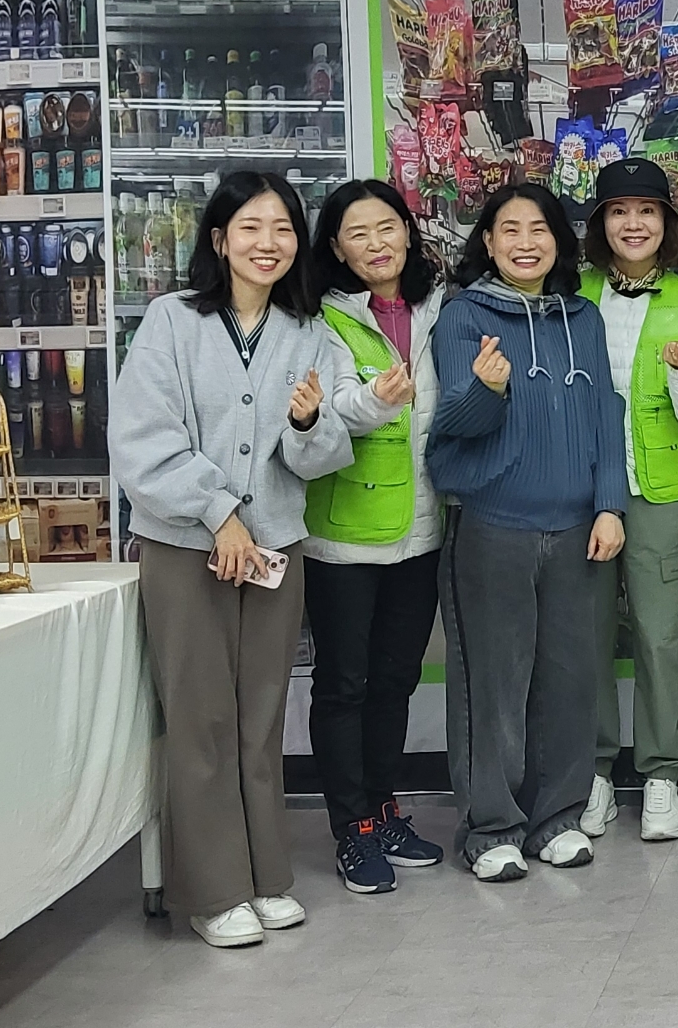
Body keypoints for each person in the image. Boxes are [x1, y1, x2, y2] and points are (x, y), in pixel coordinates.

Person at [113, 170, 352, 949]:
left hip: (275, 546)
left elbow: (316, 458)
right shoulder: (172, 321)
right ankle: (214, 890)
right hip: (188, 549)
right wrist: (217, 513)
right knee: (201, 717)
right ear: (219, 239)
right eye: (250, 227)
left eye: (282, 228)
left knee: (261, 717)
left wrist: (311, 424)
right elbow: (143, 437)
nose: (267, 243)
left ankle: (264, 875)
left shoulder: (308, 332)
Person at [427, 182, 628, 883]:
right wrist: (487, 390)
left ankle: (557, 819)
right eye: (509, 230)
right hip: (493, 525)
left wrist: (610, 504)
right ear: (487, 242)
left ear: (559, 241)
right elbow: (454, 426)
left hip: (576, 528)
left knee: (569, 682)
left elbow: (605, 413)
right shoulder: (463, 316)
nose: (524, 242)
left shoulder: (583, 317)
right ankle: (491, 828)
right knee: (494, 684)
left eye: (538, 229)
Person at [304, 179, 447, 895]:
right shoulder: (320, 319)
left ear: (408, 233)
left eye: (387, 227)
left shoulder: (437, 305)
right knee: (344, 684)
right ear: (335, 248)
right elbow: (325, 413)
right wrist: (375, 400)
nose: (376, 243)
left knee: (395, 678)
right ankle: (351, 827)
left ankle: (384, 809)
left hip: (421, 529)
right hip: (344, 539)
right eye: (357, 233)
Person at [575, 158, 678, 844]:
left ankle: (662, 771)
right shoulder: (573, 295)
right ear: (601, 224)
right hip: (580, 494)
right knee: (588, 637)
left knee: (663, 638)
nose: (633, 224)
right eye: (619, 212)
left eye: (647, 211)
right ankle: (595, 771)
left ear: (667, 223)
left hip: (660, 489)